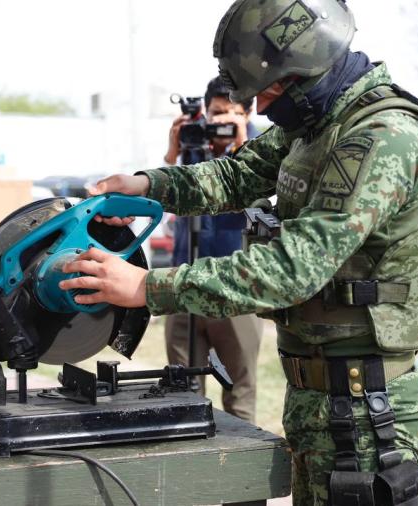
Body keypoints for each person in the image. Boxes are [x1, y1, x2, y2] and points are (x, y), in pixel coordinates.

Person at [60, 1, 418, 504]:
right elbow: (238, 174)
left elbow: (294, 267)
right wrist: (146, 187)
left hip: (365, 409)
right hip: (323, 397)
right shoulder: (317, 124)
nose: (258, 107)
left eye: (265, 91)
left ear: (303, 73)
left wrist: (147, 286)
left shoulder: (381, 140)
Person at [164, 76, 263, 423]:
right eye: (216, 113)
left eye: (231, 114)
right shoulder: (195, 145)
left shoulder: (263, 150)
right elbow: (169, 198)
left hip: (235, 289)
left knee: (239, 392)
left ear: (246, 114)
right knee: (181, 394)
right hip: (182, 282)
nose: (221, 121)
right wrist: (173, 153)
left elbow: (261, 203)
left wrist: (241, 145)